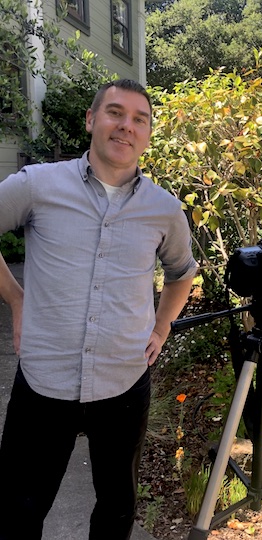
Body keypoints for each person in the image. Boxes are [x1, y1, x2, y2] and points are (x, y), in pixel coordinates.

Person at [0, 78, 198, 540]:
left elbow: (182, 272)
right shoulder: (37, 186)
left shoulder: (164, 209)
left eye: (139, 119)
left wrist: (162, 327)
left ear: (148, 135)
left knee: (116, 512)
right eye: (115, 112)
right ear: (91, 120)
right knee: (16, 513)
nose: (126, 126)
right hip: (44, 383)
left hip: (123, 384)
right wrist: (16, 297)